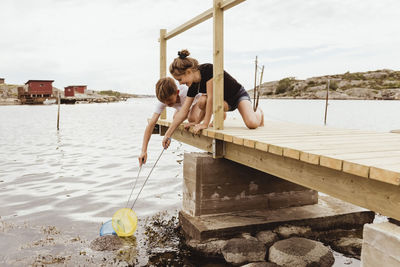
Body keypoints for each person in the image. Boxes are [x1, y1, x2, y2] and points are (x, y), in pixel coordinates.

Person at [162, 49, 263, 149]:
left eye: (180, 79)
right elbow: (184, 111)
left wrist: (205, 124)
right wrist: (168, 134)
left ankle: (258, 112)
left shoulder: (208, 70)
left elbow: (211, 98)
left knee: (252, 124)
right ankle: (221, 115)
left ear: (188, 72)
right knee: (202, 101)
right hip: (223, 103)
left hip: (238, 96)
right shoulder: (192, 86)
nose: (180, 83)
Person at [138, 77, 202, 166]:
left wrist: (168, 134)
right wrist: (143, 151)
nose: (167, 104)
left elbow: (183, 113)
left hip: (197, 101)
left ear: (177, 93)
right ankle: (182, 112)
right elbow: (151, 124)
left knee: (192, 118)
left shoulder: (185, 91)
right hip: (184, 108)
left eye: (169, 100)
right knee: (175, 118)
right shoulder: (164, 101)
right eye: (164, 102)